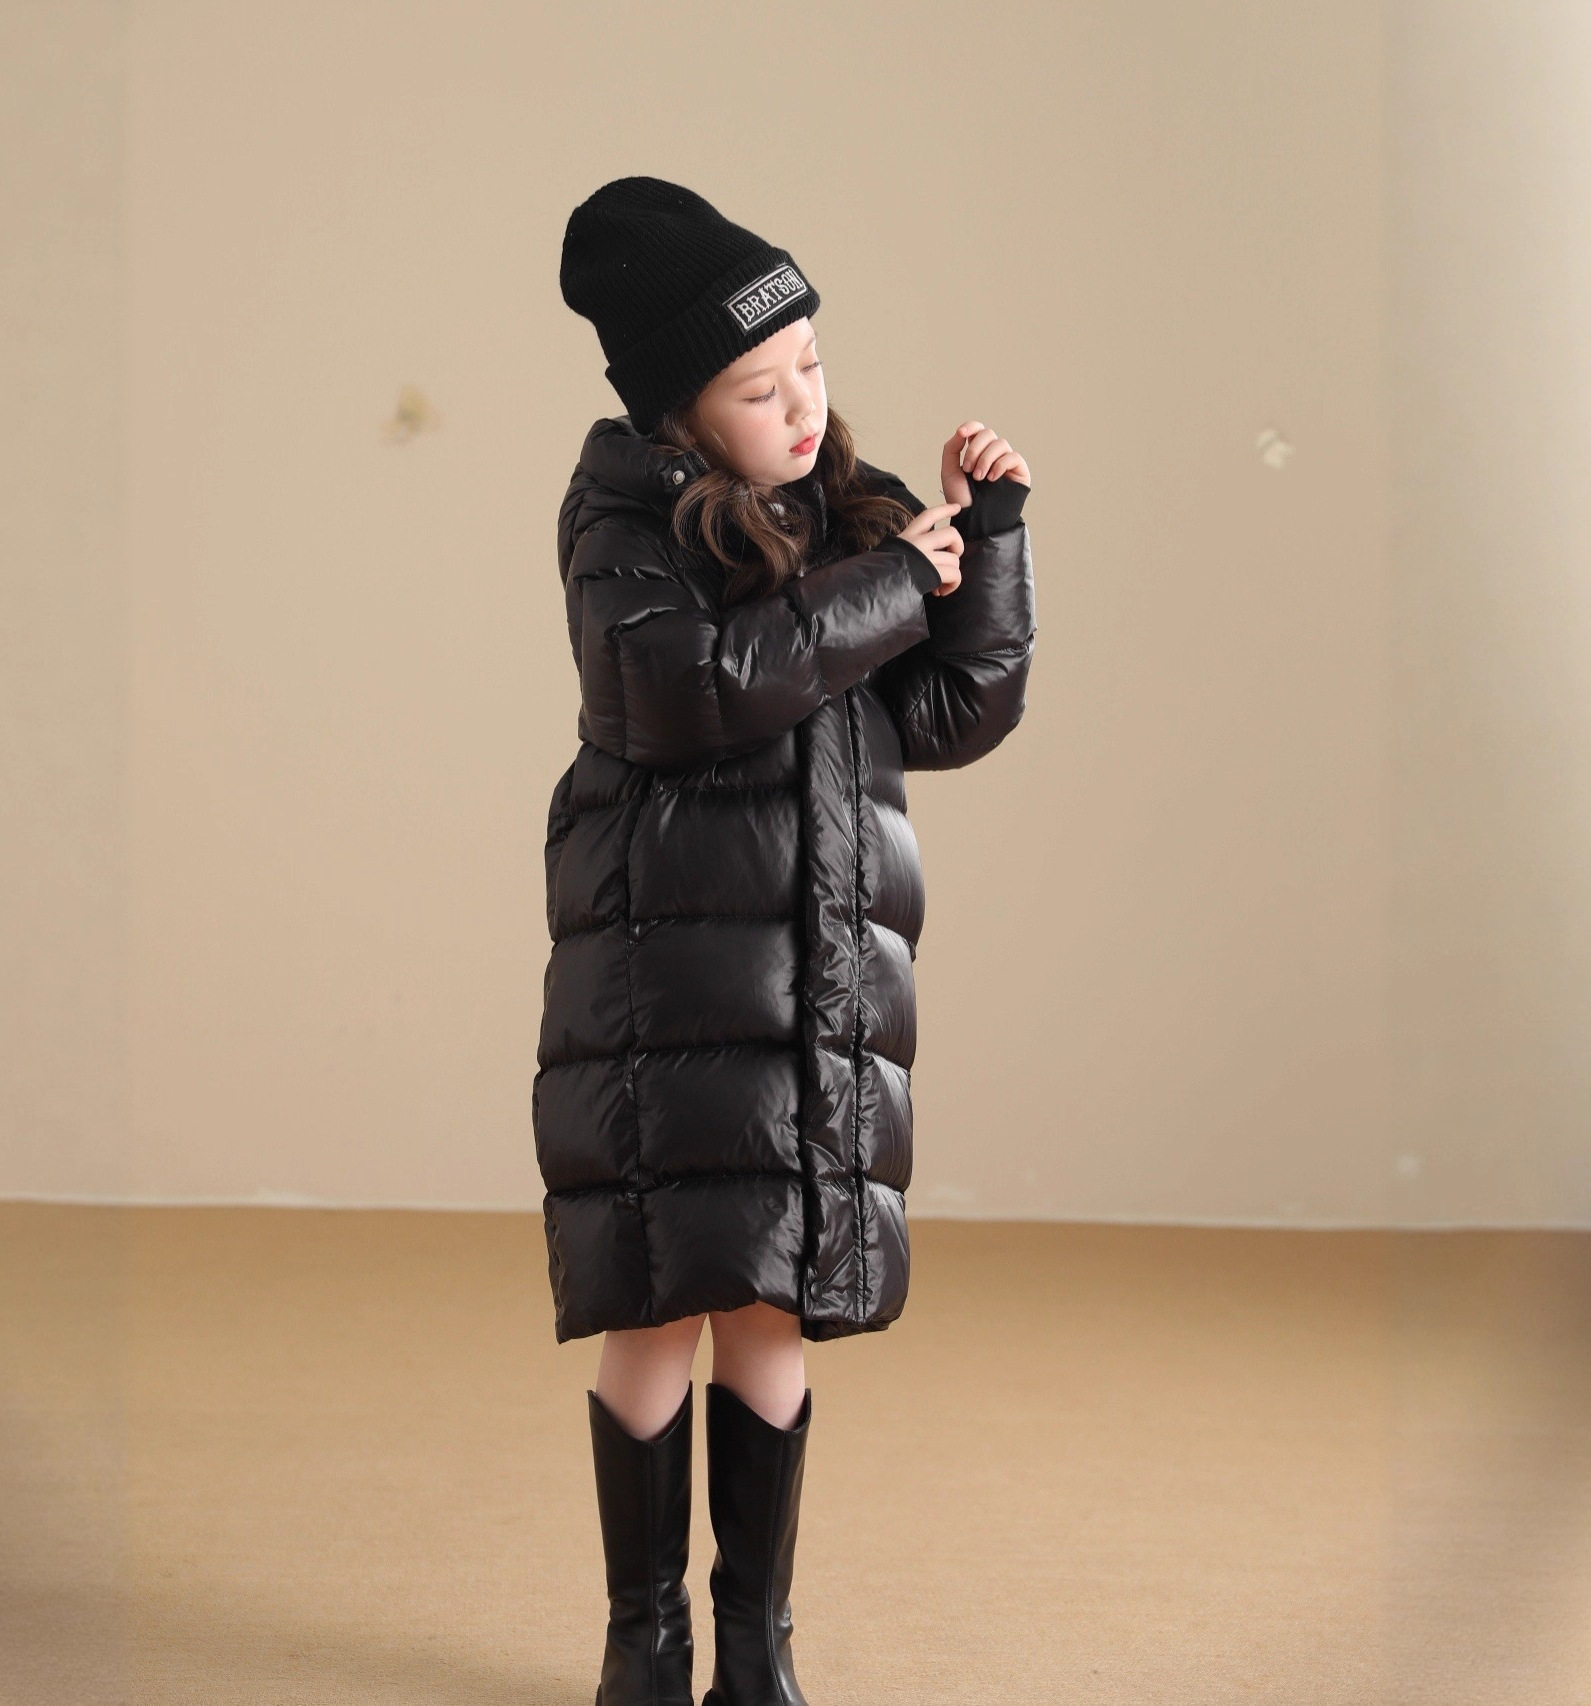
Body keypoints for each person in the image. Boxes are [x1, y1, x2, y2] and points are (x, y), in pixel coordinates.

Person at [542, 175, 1036, 1706]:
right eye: (760, 388)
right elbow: (691, 689)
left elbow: (950, 709)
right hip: (664, 980)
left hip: (814, 982)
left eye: (810, 363)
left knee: (772, 1307)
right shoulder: (623, 521)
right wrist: (892, 581)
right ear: (681, 414)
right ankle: (644, 1643)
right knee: (654, 1306)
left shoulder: (849, 509)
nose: (804, 404)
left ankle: (756, 1645)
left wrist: (988, 544)